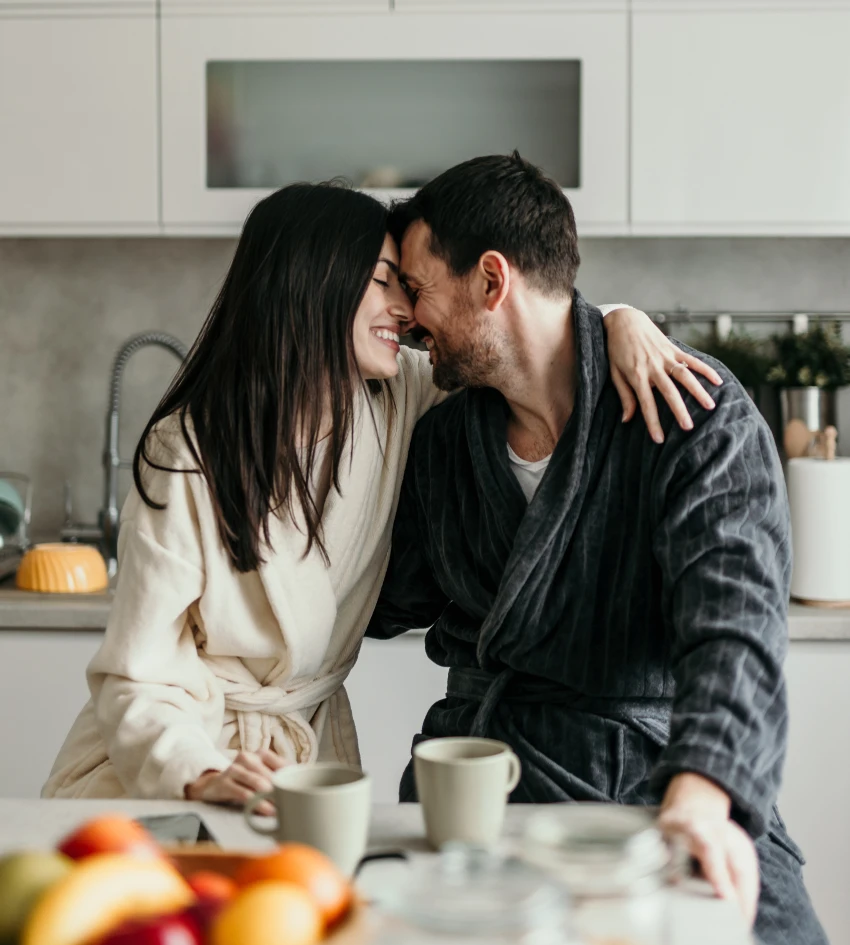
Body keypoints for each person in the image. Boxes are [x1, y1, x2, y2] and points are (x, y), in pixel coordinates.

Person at [43, 180, 717, 813]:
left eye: (408, 286)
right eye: (382, 282)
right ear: (313, 284)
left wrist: (619, 322)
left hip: (299, 768)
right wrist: (200, 772)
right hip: (167, 766)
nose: (407, 309)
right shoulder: (189, 450)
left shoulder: (398, 398)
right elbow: (137, 674)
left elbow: (524, 339)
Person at [366, 153, 847, 945]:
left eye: (416, 286)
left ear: (491, 281)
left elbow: (734, 629)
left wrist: (704, 793)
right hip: (484, 794)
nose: (407, 317)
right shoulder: (445, 444)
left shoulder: (693, 415)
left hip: (658, 786)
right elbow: (376, 602)